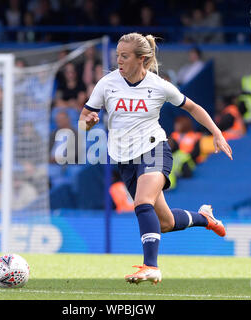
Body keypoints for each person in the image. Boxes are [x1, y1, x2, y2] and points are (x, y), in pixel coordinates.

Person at [79, 32, 233, 285]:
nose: (118, 60)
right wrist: (89, 122)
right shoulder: (107, 84)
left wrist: (216, 132)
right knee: (165, 223)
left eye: (124, 56)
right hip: (124, 160)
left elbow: (192, 107)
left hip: (154, 149)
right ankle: (205, 218)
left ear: (141, 59)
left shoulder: (158, 85)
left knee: (142, 202)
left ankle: (151, 266)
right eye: (117, 55)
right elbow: (84, 118)